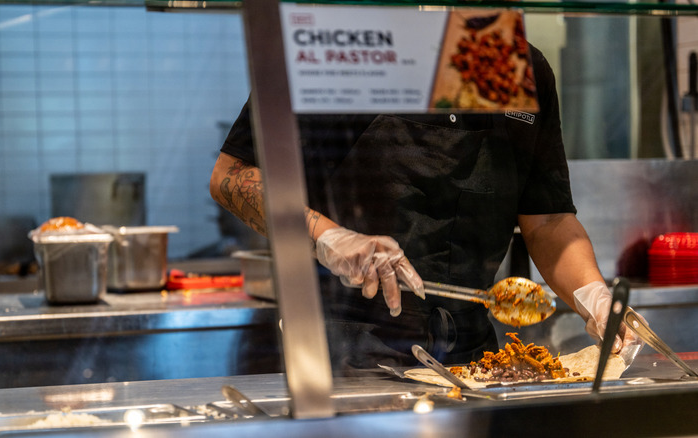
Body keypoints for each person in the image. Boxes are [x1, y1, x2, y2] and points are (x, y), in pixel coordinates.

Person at [209, 43, 641, 375]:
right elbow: (232, 175)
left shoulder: (521, 67)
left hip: (475, 360)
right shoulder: (341, 50)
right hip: (344, 352)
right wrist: (325, 235)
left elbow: (548, 219)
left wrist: (594, 296)